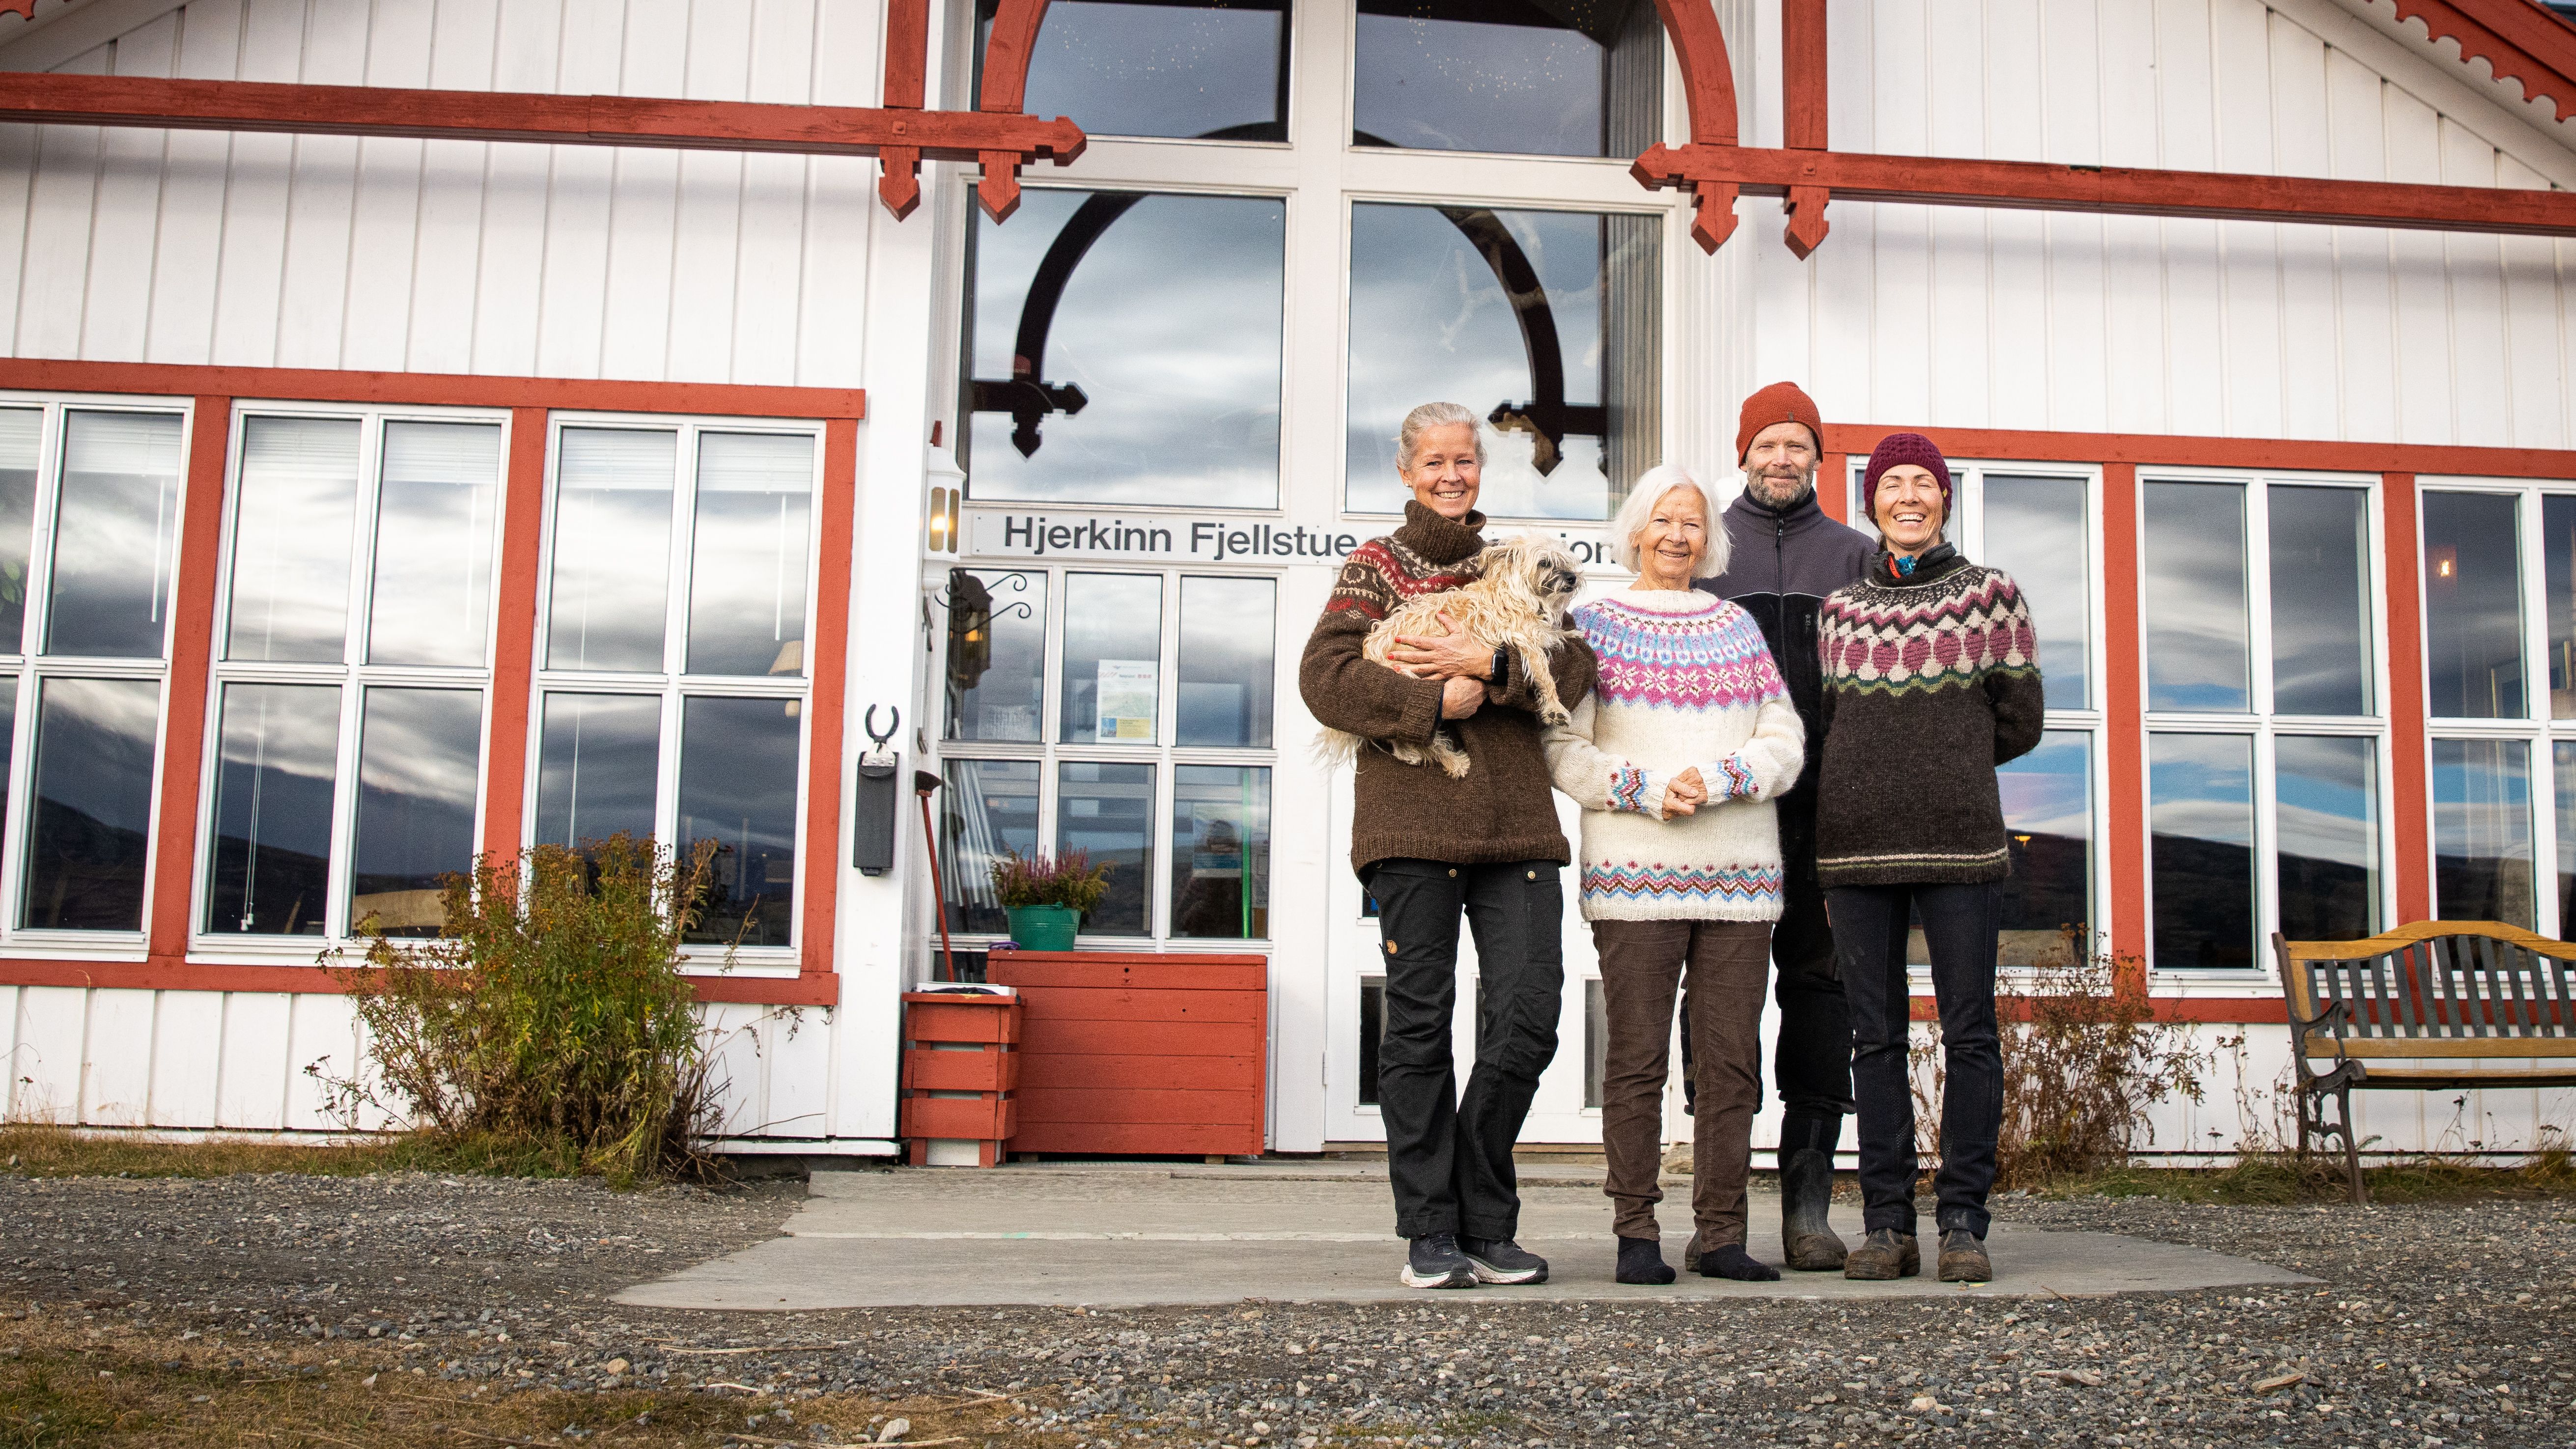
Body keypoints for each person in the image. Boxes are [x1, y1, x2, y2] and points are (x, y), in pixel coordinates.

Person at [1299, 400, 1599, 1291]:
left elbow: (1574, 666)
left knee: (1529, 1017)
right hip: (1411, 826)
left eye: (1463, 460)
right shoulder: (1375, 566)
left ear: (1479, 469)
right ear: (1406, 471)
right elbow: (1326, 676)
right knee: (1421, 1026)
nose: (1451, 475)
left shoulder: (1514, 562)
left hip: (1515, 826)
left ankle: (1479, 1208)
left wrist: (1493, 666)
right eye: (1433, 461)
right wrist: (1434, 702)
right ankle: (1434, 1229)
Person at [1541, 464, 1804, 1285]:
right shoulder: (1591, 625)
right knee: (1637, 1058)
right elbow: (1560, 745)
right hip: (1634, 876)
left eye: (1692, 522)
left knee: (1730, 1063)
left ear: (1710, 537)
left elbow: (1785, 738)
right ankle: (1636, 1233)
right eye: (1663, 520)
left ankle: (1720, 1234)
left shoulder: (1736, 627)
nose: (1678, 535)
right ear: (1635, 530)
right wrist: (1647, 789)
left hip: (1741, 881)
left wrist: (1723, 777)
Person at [1815, 432, 2044, 1283]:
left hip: (1962, 845)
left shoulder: (1992, 596)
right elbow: (1833, 726)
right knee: (1874, 1038)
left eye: (1923, 482)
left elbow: (2021, 720)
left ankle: (1962, 1224)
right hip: (1856, 851)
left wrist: (1947, 767)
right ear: (1871, 501)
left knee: (1970, 1032)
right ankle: (1886, 1224)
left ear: (1944, 498)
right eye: (1892, 484)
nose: (1908, 496)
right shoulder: (1839, 611)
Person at [1697, 381, 1876, 1271]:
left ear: (1817, 457)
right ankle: (1718, 1208)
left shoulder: (1856, 557)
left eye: (1797, 444)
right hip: (1726, 814)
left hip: (1825, 813)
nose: (1781, 458)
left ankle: (1808, 1207)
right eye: (1766, 443)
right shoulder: (1704, 551)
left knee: (1820, 997)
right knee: (1718, 1003)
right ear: (1744, 454)